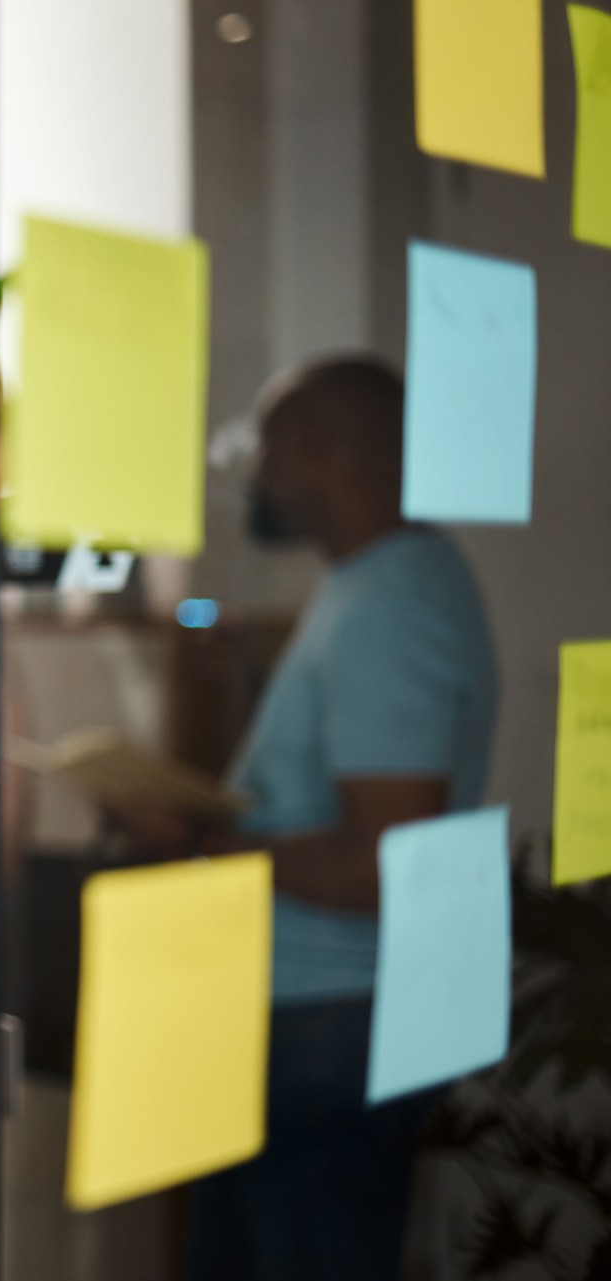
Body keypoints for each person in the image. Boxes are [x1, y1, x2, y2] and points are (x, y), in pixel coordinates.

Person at [123, 357, 498, 1280]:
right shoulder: (384, 583)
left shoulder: (388, 609)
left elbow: (381, 862)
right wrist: (248, 681)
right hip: (325, 1022)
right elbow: (345, 789)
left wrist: (204, 841)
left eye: (261, 447)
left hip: (324, 1034)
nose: (247, 471)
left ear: (317, 451)